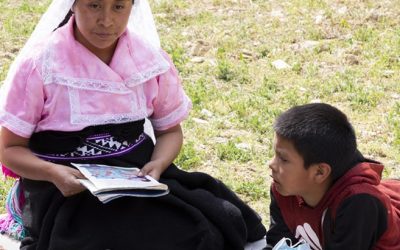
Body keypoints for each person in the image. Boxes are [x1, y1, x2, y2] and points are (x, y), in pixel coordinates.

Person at [0, 0, 266, 249]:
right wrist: (52, 173)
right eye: (94, 5)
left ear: (132, 6)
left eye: (118, 6)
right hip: (65, 186)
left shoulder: (149, 62)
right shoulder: (40, 65)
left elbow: (169, 131)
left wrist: (159, 164)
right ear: (73, 5)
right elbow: (9, 148)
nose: (106, 20)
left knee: (200, 232)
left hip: (136, 177)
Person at [265, 103, 400, 250]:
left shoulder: (359, 203)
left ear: (320, 172)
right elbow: (277, 242)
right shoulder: (285, 189)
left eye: (283, 159)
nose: (271, 164)